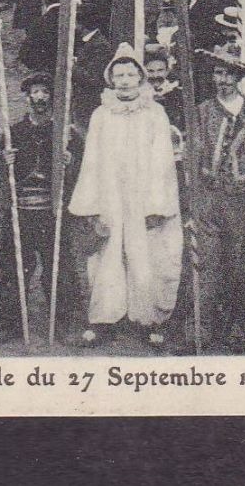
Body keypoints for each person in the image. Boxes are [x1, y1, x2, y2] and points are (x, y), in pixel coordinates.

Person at [67, 43, 183, 348]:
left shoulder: (155, 113)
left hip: (144, 198)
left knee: (147, 256)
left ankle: (149, 320)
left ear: (140, 77)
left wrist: (158, 203)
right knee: (107, 257)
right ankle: (104, 319)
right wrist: (91, 206)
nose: (125, 80)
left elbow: (163, 160)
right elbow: (91, 159)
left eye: (131, 74)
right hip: (110, 196)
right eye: (119, 74)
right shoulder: (101, 115)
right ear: (110, 79)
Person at [188, 44, 245, 350]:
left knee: (243, 266)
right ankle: (201, 331)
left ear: (240, 78)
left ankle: (242, 330)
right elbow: (194, 155)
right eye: (218, 72)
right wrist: (195, 196)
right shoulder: (202, 111)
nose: (223, 80)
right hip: (210, 200)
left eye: (229, 74)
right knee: (207, 265)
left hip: (244, 202)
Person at [0, 72, 79, 342]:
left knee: (58, 266)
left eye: (45, 92)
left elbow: (82, 174)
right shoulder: (13, 133)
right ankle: (10, 323)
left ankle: (62, 322)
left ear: (53, 98)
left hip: (52, 211)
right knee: (15, 266)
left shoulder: (66, 134)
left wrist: (69, 161)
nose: (40, 97)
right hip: (22, 211)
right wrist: (3, 161)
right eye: (35, 92)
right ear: (27, 97)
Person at [142, 45, 186, 137]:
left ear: (167, 71)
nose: (155, 75)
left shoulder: (179, 96)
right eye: (150, 71)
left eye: (160, 70)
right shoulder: (140, 95)